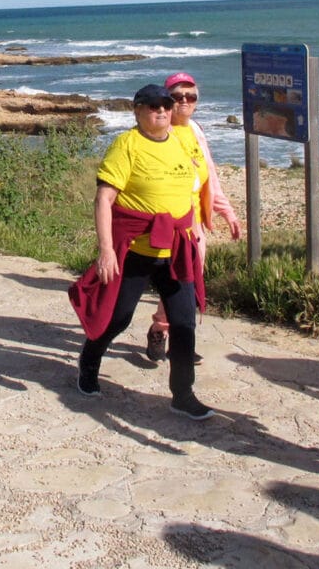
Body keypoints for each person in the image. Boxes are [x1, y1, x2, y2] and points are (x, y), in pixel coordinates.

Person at [68, 84, 213, 420]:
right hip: (135, 250)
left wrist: (194, 231)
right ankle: (89, 362)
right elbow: (104, 199)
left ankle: (182, 393)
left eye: (166, 104)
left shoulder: (178, 141)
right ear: (137, 111)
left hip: (176, 248)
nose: (161, 110)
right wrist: (107, 251)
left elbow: (193, 185)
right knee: (118, 318)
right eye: (152, 106)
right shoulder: (126, 145)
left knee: (183, 322)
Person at [146, 72, 243, 365]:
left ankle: (170, 334)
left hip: (195, 226)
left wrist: (226, 211)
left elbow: (208, 176)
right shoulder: (161, 134)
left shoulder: (196, 131)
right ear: (165, 101)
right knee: (178, 283)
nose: (184, 102)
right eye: (177, 97)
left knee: (185, 283)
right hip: (172, 224)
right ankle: (166, 333)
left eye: (191, 97)